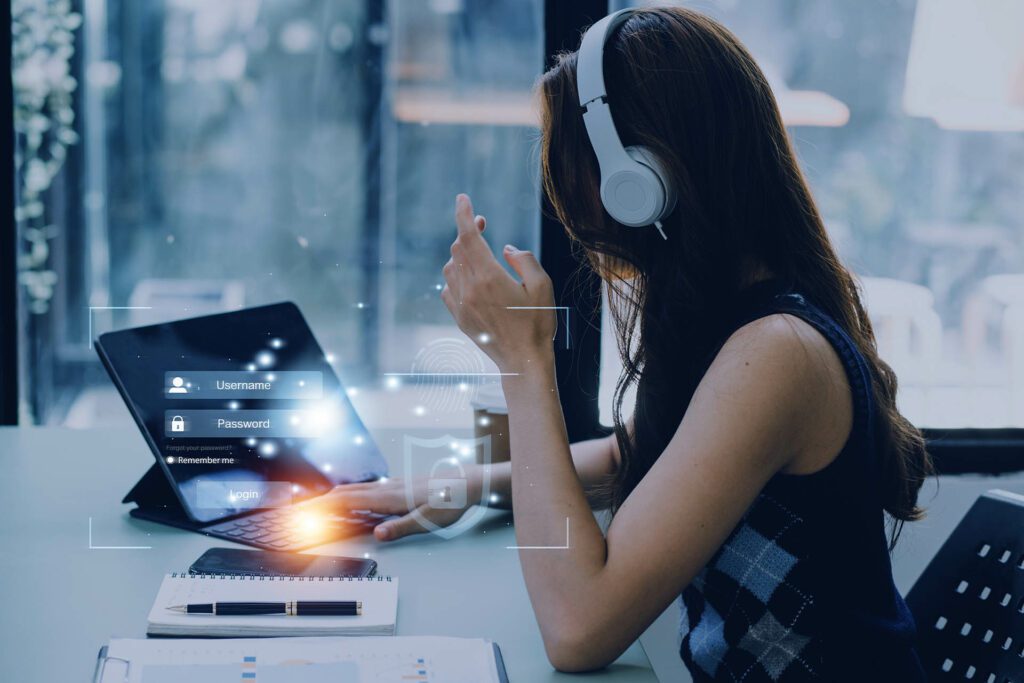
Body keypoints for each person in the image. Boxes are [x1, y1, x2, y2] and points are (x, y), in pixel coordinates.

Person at [323, 7, 931, 681]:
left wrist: (523, 359)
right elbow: (636, 454)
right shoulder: (729, 319)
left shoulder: (778, 354)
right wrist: (452, 487)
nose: (562, 198)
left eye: (569, 162)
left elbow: (578, 628)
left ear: (639, 178)